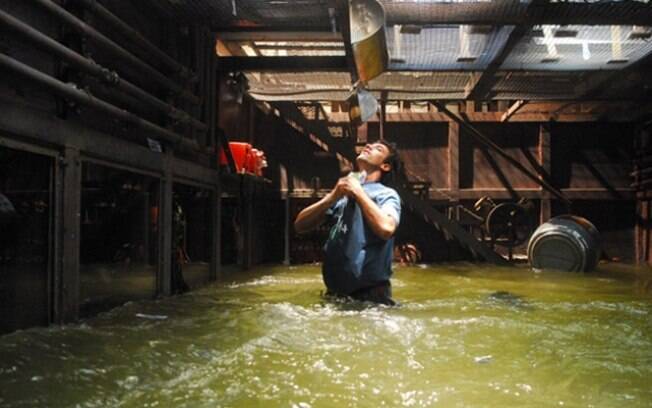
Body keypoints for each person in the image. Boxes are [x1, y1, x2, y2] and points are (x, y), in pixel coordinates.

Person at [294, 141, 402, 305]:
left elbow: (387, 228)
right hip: (335, 295)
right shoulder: (342, 193)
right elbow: (300, 225)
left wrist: (358, 192)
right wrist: (332, 196)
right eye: (369, 144)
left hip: (371, 298)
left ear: (385, 166)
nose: (369, 146)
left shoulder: (387, 194)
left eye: (378, 148)